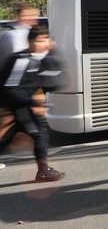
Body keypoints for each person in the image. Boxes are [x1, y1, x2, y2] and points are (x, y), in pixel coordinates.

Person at [0, 25, 65, 182]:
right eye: (41, 40)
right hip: (19, 104)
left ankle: (44, 170)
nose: (45, 43)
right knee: (39, 133)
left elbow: (56, 79)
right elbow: (10, 88)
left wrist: (53, 50)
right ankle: (43, 171)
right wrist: (31, 102)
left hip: (21, 103)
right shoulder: (20, 60)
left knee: (11, 135)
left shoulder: (33, 59)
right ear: (31, 41)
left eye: (46, 40)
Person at [0, 2, 39, 67]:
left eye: (34, 15)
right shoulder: (11, 35)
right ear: (19, 17)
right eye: (28, 15)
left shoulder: (34, 32)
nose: (33, 18)